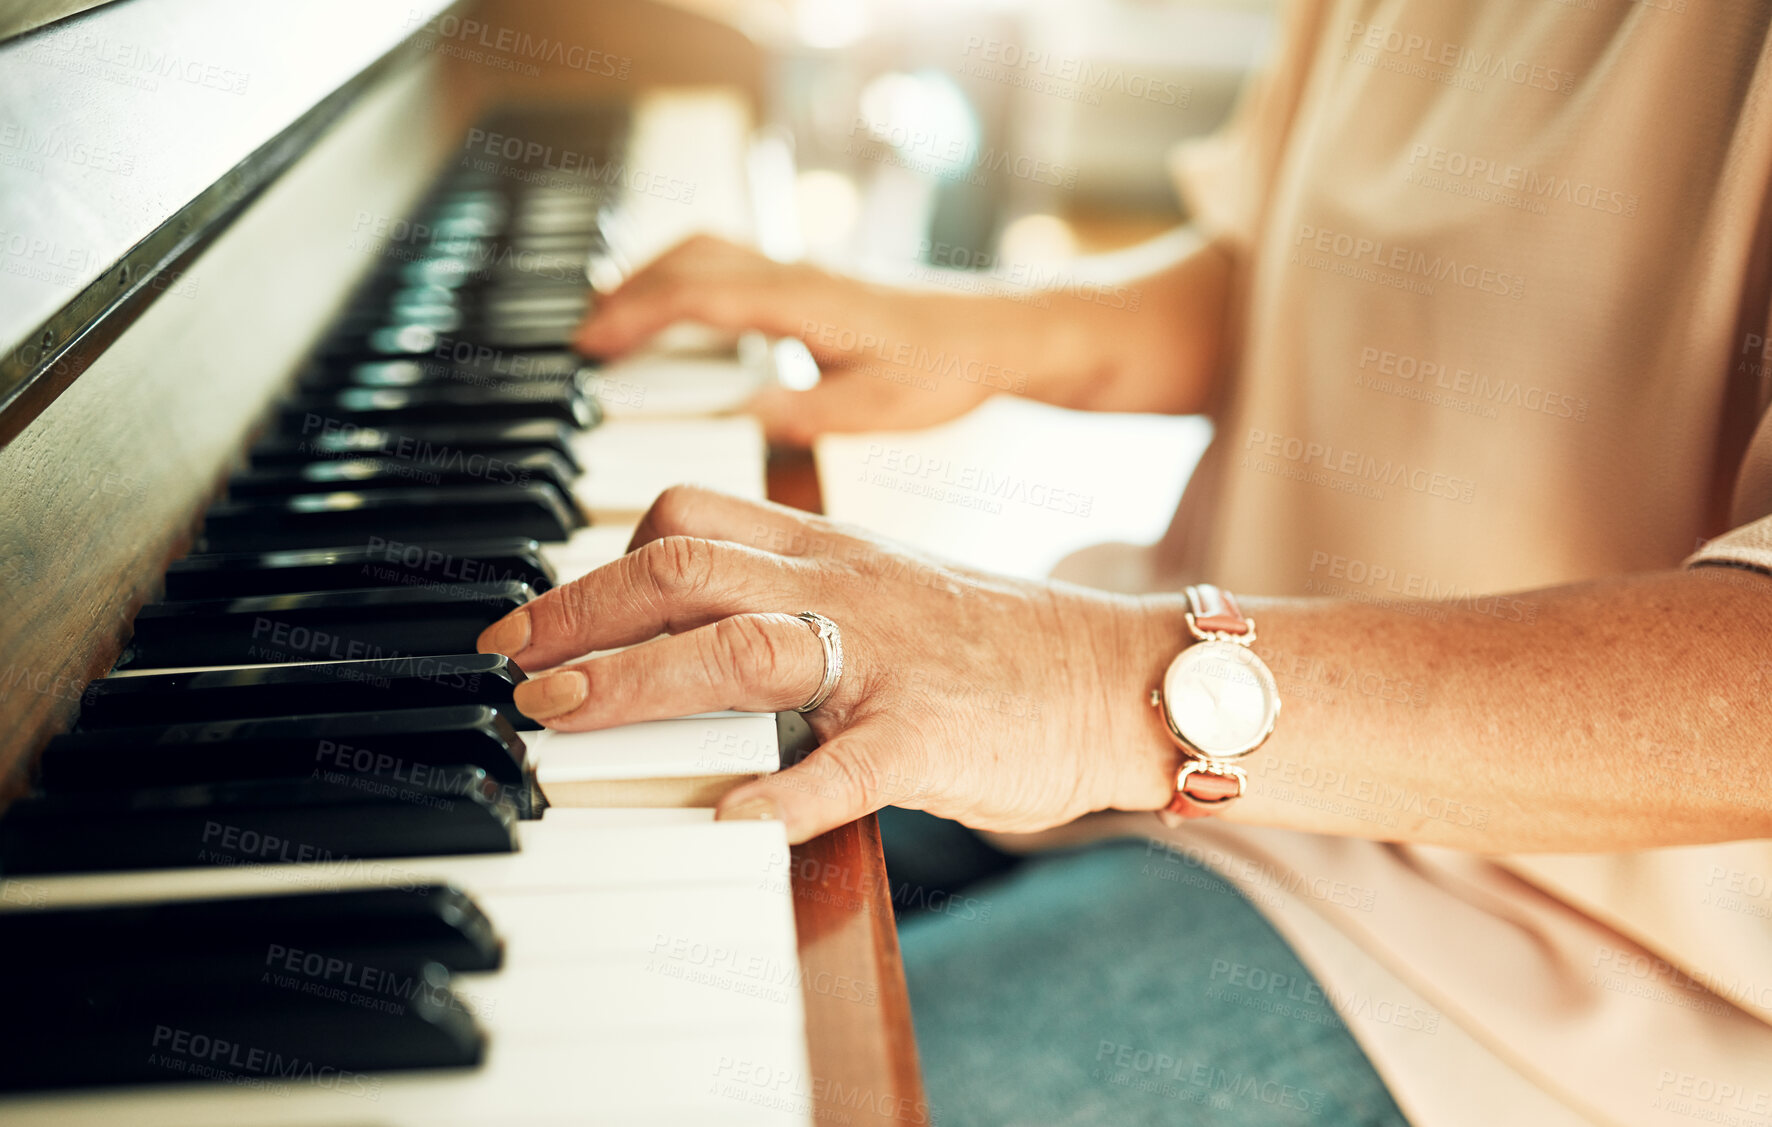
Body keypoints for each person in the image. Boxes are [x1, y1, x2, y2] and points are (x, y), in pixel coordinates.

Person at [475, 2, 1772, 1123]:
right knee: (593, 915)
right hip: (1192, 777)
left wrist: (1092, 678)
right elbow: (1317, 269)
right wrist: (995, 329)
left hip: (1543, 965)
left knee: (656, 1080)